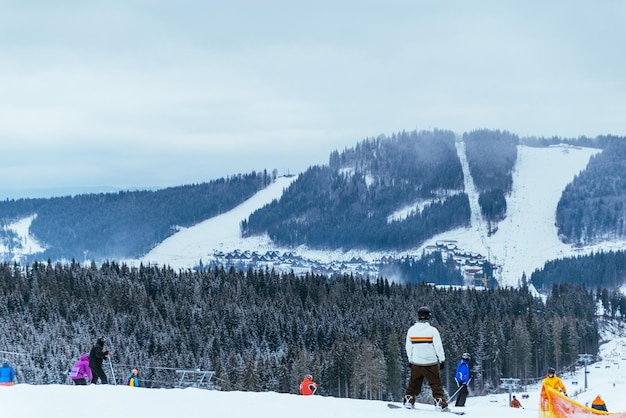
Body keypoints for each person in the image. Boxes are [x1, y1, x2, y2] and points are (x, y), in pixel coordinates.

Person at [403, 306, 448, 411]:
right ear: (429, 317)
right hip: (430, 363)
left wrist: (410, 360)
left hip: (416, 362)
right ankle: (439, 402)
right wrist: (442, 360)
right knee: (435, 384)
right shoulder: (432, 331)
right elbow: (438, 347)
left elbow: (408, 347)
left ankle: (409, 400)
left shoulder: (411, 330)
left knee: (413, 383)